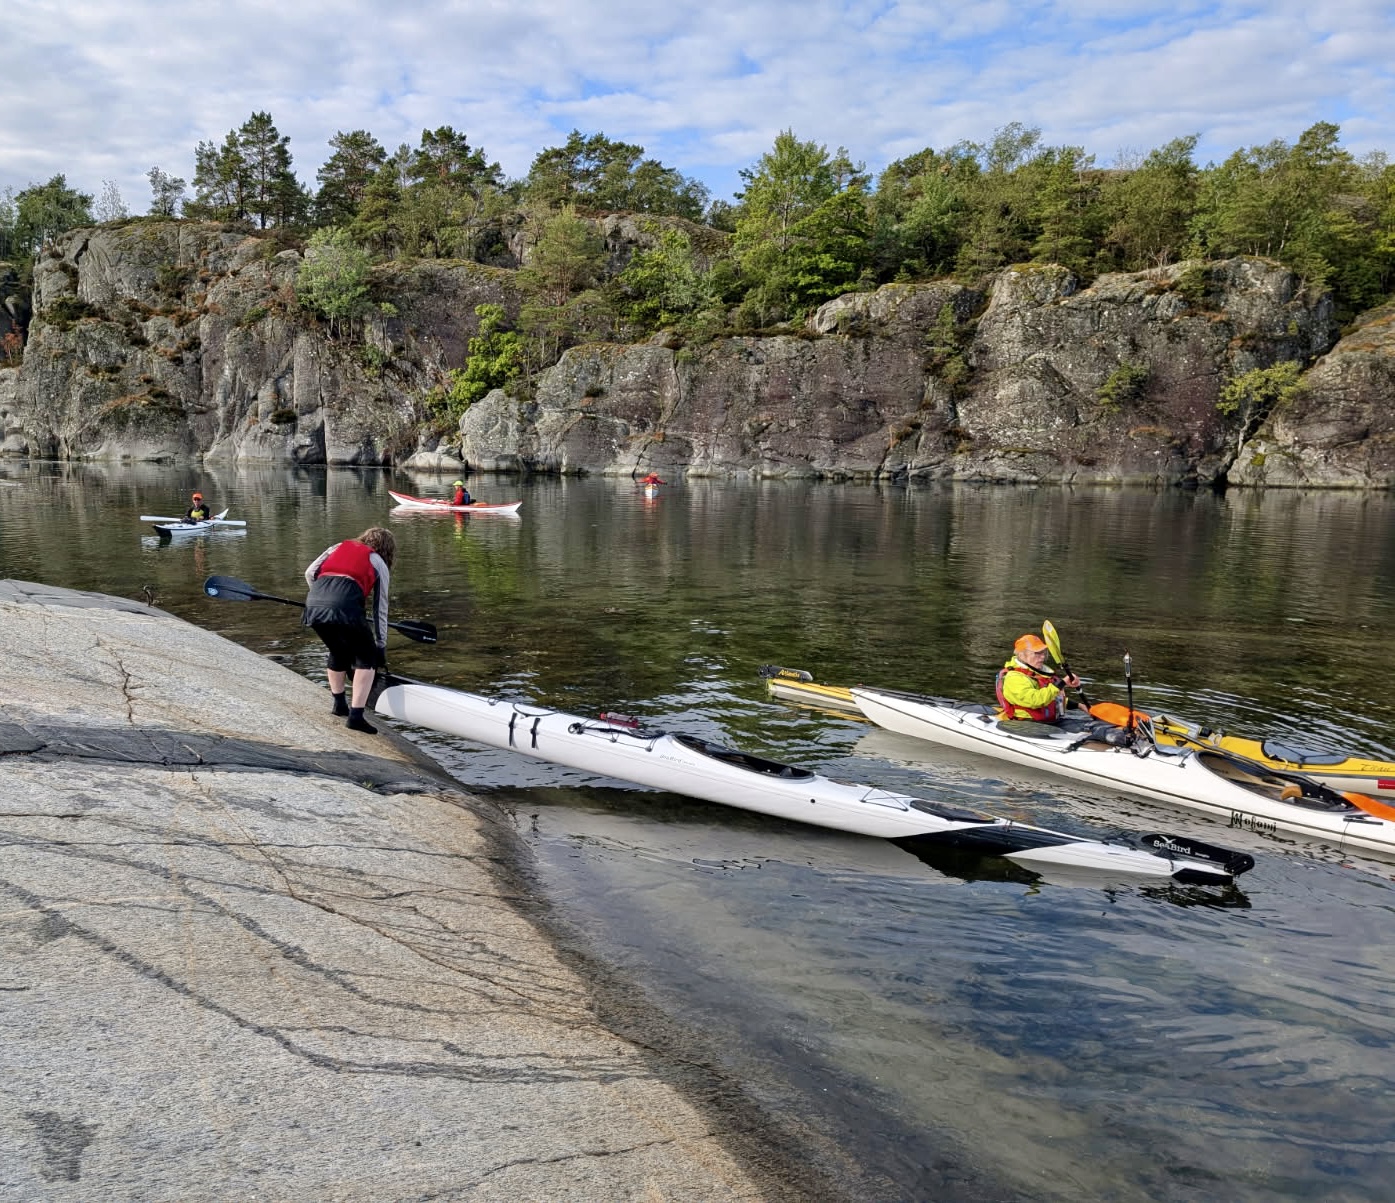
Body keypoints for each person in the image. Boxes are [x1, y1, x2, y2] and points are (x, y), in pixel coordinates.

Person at [303, 526, 396, 735]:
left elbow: (310, 572)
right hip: (344, 606)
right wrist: (380, 646)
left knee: (338, 651)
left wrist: (320, 596)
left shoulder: (337, 547)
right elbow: (380, 607)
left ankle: (339, 704)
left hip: (314, 603)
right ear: (387, 549)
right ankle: (356, 717)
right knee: (366, 656)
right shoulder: (378, 562)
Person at [996, 633, 1081, 722]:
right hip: (1025, 724)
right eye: (1037, 653)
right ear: (1021, 655)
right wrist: (1062, 683)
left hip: (1046, 722)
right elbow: (1035, 700)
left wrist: (1079, 706)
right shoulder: (1014, 678)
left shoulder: (1036, 673)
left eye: (1043, 652)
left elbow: (1052, 697)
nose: (1043, 656)